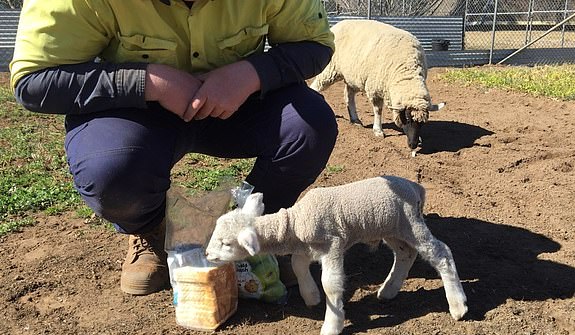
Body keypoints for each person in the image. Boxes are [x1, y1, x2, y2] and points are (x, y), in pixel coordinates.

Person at [9, 0, 338, 296]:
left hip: (239, 100)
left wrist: (251, 73)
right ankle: (150, 231)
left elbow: (315, 45)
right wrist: (148, 82)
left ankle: (255, 229)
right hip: (137, 110)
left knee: (309, 128)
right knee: (110, 171)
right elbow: (35, 79)